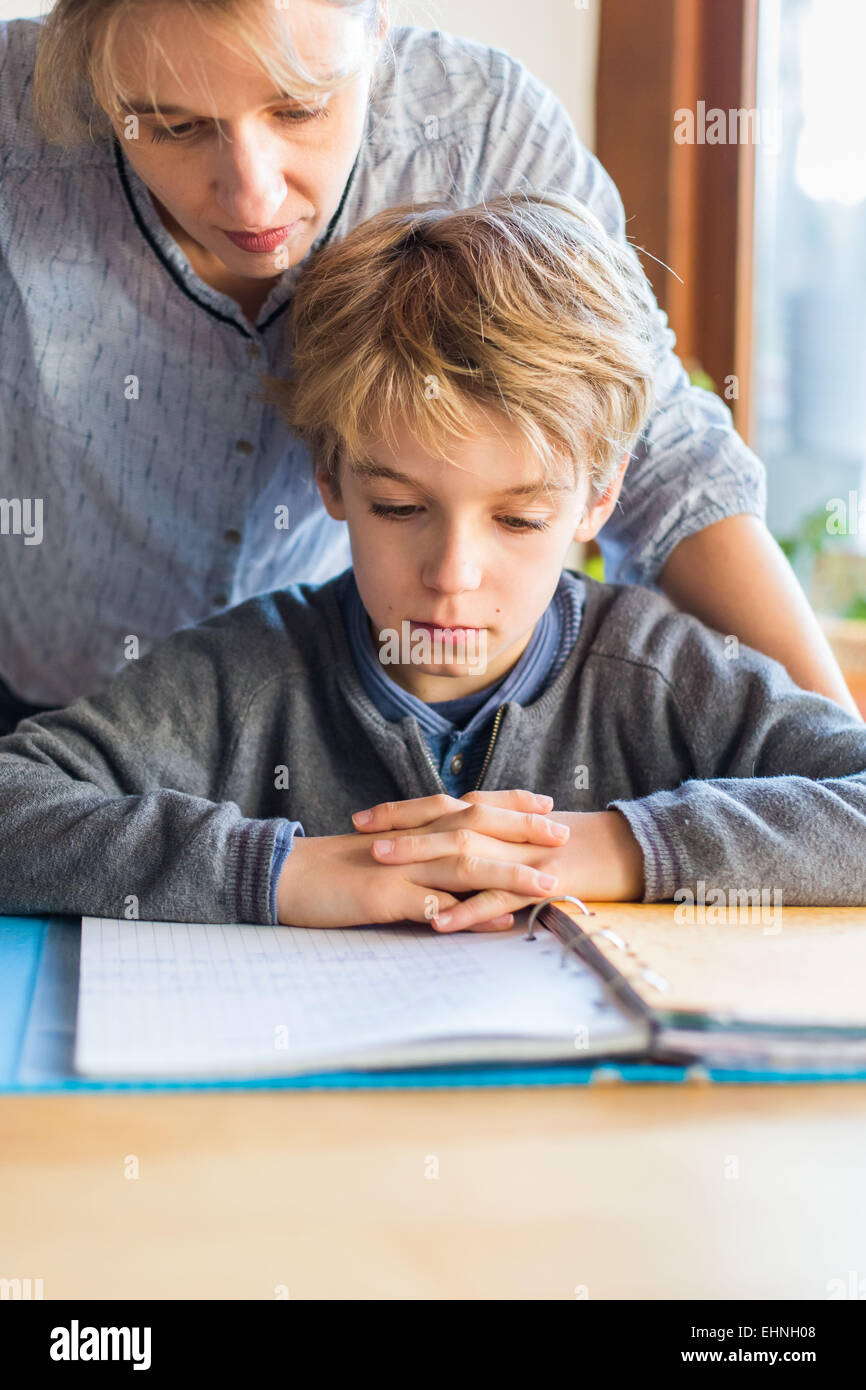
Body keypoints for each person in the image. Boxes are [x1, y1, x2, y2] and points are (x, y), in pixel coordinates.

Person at [0, 190, 864, 933]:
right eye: (401, 508)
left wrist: (616, 846)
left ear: (599, 501)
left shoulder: (664, 678)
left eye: (521, 519)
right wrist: (276, 874)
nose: (453, 575)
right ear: (331, 478)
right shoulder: (242, 680)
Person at [0, 1, 858, 737]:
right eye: (177, 126)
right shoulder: (16, 130)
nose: (253, 198)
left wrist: (837, 762)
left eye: (299, 110)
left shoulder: (478, 130)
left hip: (324, 730)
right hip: (37, 711)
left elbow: (665, 457)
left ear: (374, 32)